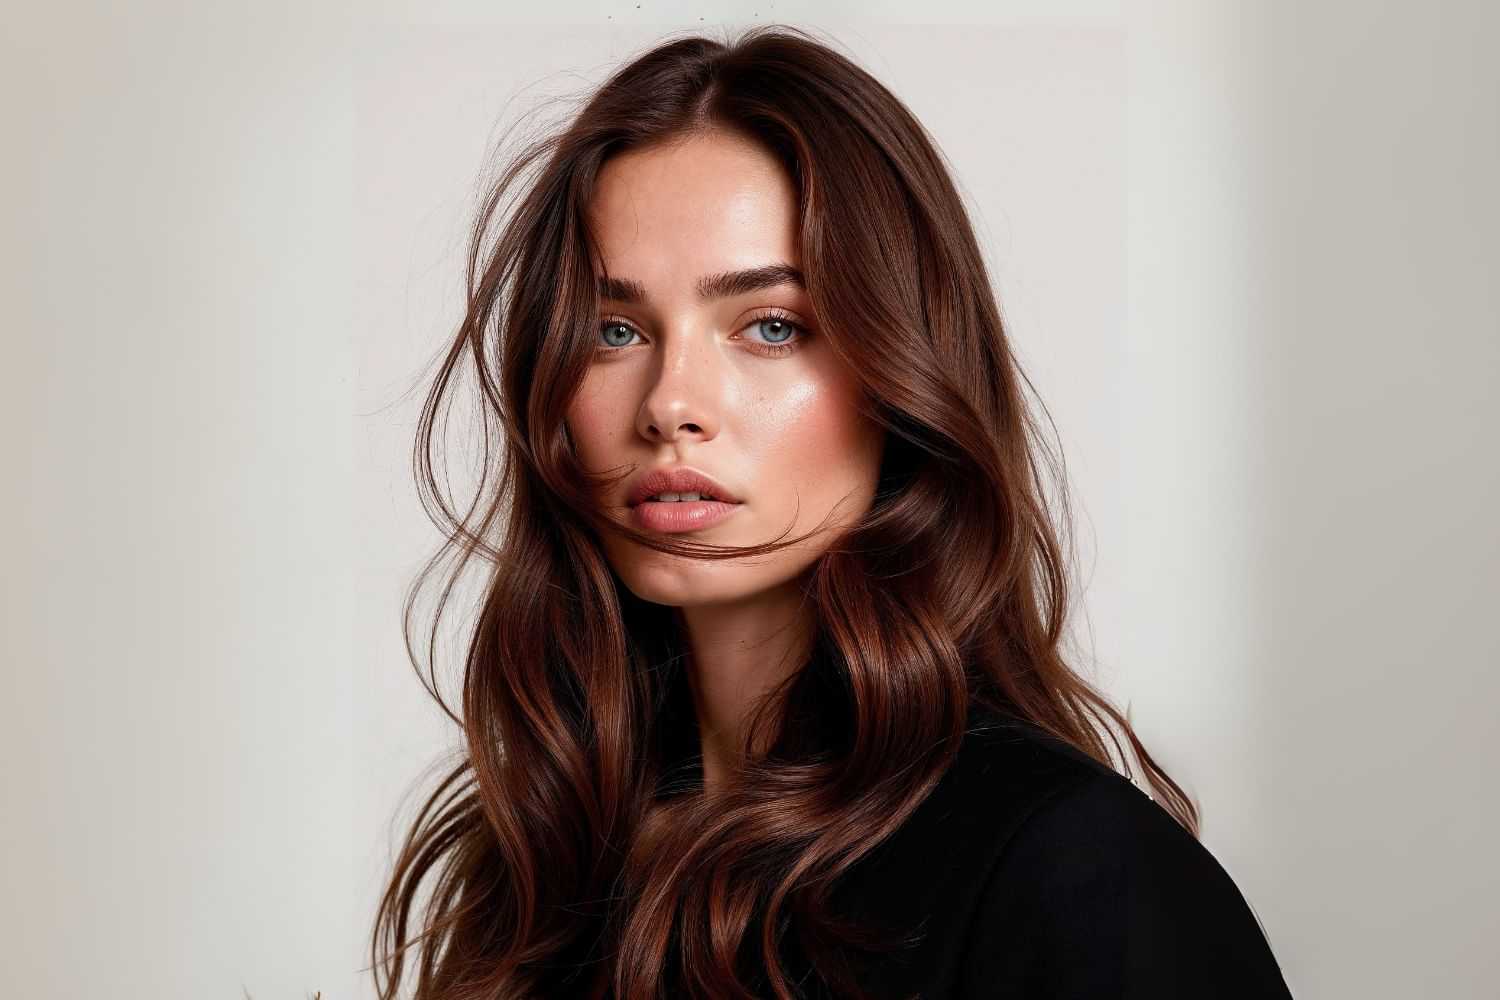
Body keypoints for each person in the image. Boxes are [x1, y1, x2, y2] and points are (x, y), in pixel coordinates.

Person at [370, 25, 1295, 999]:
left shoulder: (1068, 872)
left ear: (902, 376)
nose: (670, 402)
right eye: (615, 330)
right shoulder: (545, 869)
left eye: (771, 327)